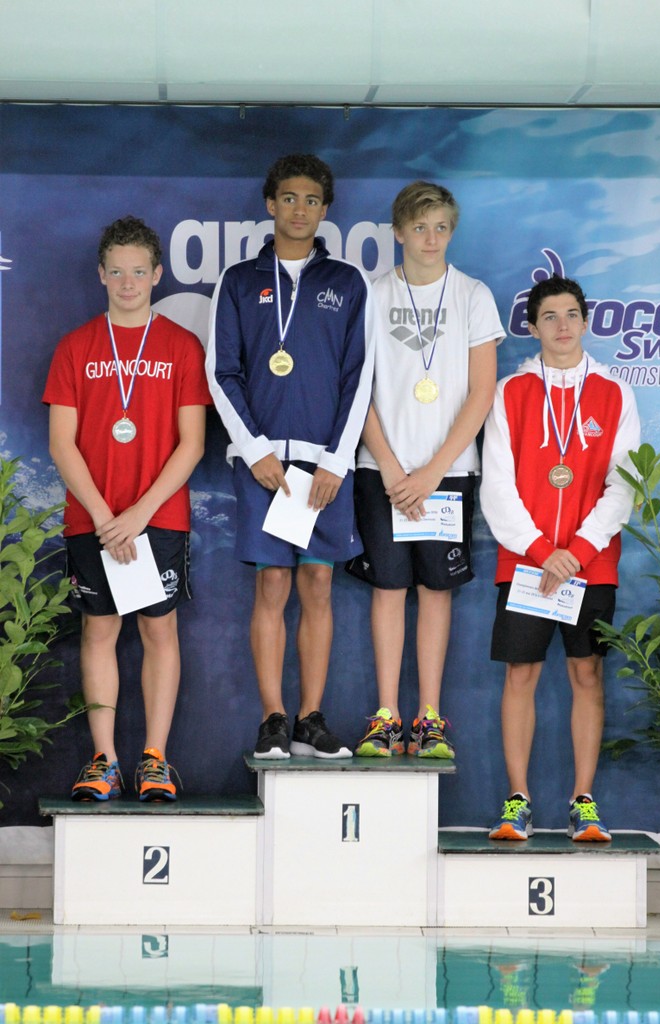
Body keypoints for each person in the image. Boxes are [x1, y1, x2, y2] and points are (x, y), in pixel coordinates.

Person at [206, 154, 375, 760]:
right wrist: (254, 450)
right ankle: (273, 718)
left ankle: (311, 718)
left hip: (323, 462)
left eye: (311, 200)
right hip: (263, 466)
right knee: (272, 583)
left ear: (325, 209)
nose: (299, 209)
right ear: (270, 204)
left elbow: (360, 376)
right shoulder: (237, 280)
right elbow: (221, 371)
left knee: (319, 583)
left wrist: (336, 460)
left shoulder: (348, 282)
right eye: (288, 198)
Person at [43, 215, 212, 801]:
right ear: (100, 275)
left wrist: (139, 514)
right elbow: (61, 443)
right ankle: (105, 761)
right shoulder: (75, 347)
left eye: (138, 271)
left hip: (156, 517)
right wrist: (102, 517)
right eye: (117, 272)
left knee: (159, 630)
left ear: (158, 274)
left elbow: (193, 443)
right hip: (92, 518)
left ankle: (155, 759)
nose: (128, 283)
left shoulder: (181, 346)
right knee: (99, 630)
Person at [481, 273, 640, 841]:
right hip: (527, 563)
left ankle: (583, 801)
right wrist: (544, 552)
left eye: (572, 314)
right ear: (531, 328)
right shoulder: (510, 392)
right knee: (520, 674)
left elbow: (624, 484)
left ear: (587, 322)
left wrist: (577, 551)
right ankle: (517, 801)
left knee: (587, 672)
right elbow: (497, 485)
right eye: (549, 316)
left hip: (590, 564)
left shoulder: (615, 392)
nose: (562, 325)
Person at [347, 181, 503, 758]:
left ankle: (429, 719)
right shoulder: (372, 294)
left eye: (440, 228)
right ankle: (386, 717)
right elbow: (356, 390)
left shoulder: (473, 295)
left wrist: (434, 471)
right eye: (419, 227)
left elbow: (482, 392)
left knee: (436, 592)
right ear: (398, 233)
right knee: (389, 590)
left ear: (451, 232)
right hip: (381, 471)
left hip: (449, 474)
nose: (431, 239)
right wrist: (391, 468)